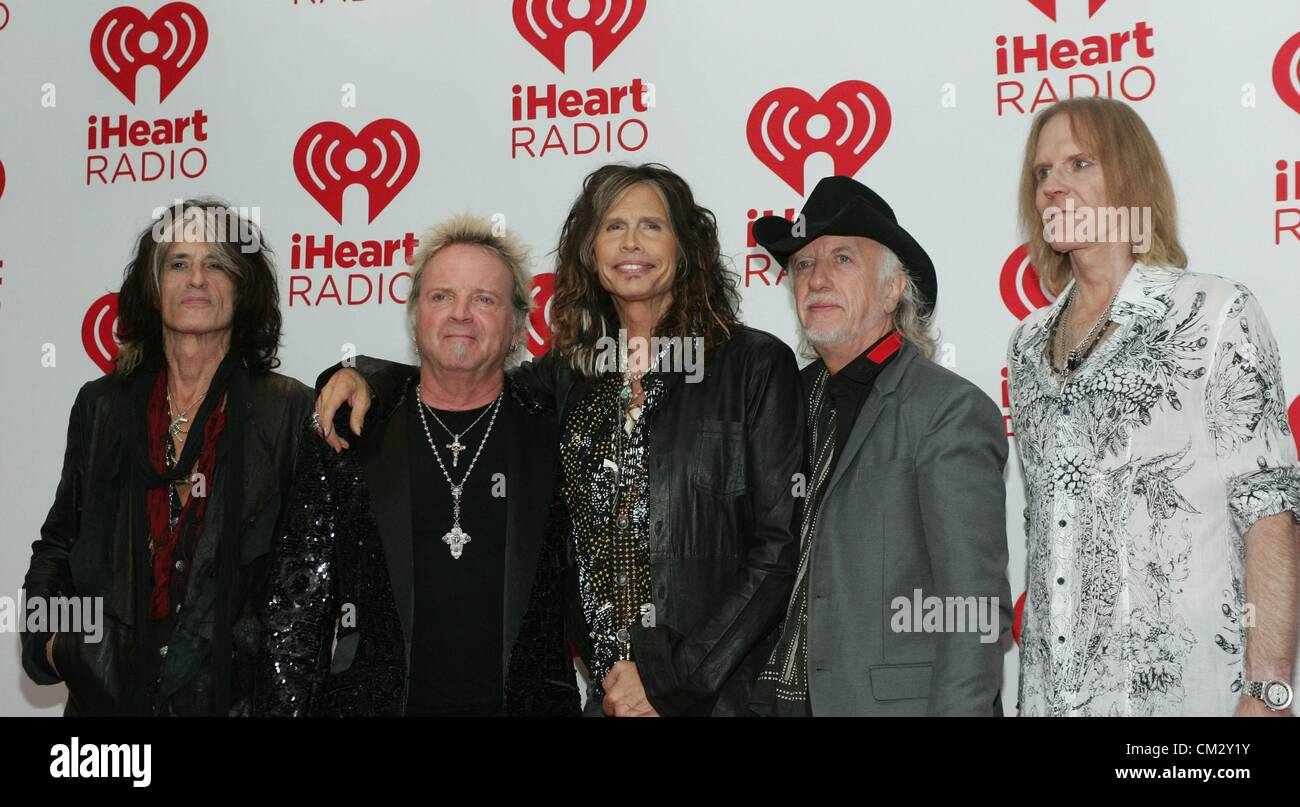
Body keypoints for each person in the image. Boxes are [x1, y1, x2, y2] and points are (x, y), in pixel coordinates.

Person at [316, 163, 803, 716]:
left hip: (716, 698)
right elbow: (463, 376)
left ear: (686, 245)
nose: (631, 243)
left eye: (652, 226)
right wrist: (365, 376)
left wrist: (672, 677)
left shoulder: (753, 365)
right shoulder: (573, 374)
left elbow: (779, 546)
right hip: (606, 700)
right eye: (613, 227)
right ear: (590, 252)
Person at [1007, 97, 1300, 716]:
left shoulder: (1215, 315)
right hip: (1051, 699)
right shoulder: (1028, 344)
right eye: (1042, 172)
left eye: (1078, 164)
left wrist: (1269, 694)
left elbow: (1269, 512)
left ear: (1131, 179)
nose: (1053, 186)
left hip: (1187, 703)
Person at [259, 215, 579, 716]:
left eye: (485, 299)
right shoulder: (352, 429)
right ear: (414, 317)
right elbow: (298, 601)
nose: (461, 314)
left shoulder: (556, 432)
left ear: (518, 325)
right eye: (441, 296)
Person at [21, 199, 313, 716]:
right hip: (107, 706)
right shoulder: (103, 405)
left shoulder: (286, 410)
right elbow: (60, 544)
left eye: (216, 263)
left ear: (243, 287)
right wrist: (55, 644)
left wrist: (249, 660)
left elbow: (305, 575)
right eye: (178, 263)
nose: (196, 279)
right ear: (153, 288)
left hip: (229, 702)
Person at [750, 176, 1011, 715]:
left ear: (894, 290)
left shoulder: (947, 411)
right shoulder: (777, 403)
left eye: (842, 259)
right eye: (802, 265)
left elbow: (973, 611)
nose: (816, 278)